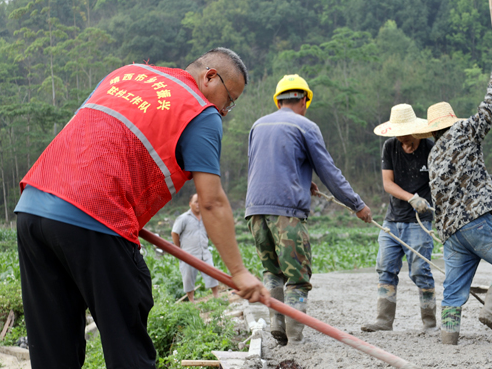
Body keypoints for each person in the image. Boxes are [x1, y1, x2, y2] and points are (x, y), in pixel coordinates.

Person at [14, 48, 268, 369]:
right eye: (230, 100)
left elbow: (98, 140)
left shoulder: (127, 74)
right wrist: (238, 271)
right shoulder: (198, 111)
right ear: (210, 78)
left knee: (52, 344)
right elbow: (211, 200)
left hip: (35, 206)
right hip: (96, 215)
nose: (225, 112)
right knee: (127, 343)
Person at [246, 74, 372, 346]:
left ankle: (276, 323)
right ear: (304, 100)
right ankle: (295, 336)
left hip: (254, 212)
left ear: (278, 101)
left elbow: (267, 166)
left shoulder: (257, 125)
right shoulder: (305, 126)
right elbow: (330, 172)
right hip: (287, 214)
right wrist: (357, 205)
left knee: (272, 272)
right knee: (298, 278)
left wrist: (302, 182)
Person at [416, 55, 492, 345]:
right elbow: (491, 107)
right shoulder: (463, 132)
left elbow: (463, 184)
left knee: (453, 290)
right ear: (451, 122)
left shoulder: (434, 154)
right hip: (476, 223)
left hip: (451, 233)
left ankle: (448, 338)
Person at [362, 104, 437, 333]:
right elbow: (387, 183)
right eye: (400, 138)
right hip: (392, 220)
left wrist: (432, 206)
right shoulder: (390, 147)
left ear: (416, 131)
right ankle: (384, 321)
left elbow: (439, 182)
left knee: (420, 272)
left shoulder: (429, 148)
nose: (405, 143)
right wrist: (410, 197)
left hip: (419, 222)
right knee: (385, 269)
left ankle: (429, 323)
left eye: (408, 139)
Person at [172, 193, 221, 302]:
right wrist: (179, 249)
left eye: (200, 202)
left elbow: (209, 232)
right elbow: (175, 233)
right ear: (190, 204)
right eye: (196, 202)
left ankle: (216, 297)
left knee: (212, 274)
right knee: (188, 278)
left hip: (204, 253)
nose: (199, 204)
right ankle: (191, 301)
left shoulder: (206, 217)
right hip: (188, 254)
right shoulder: (183, 218)